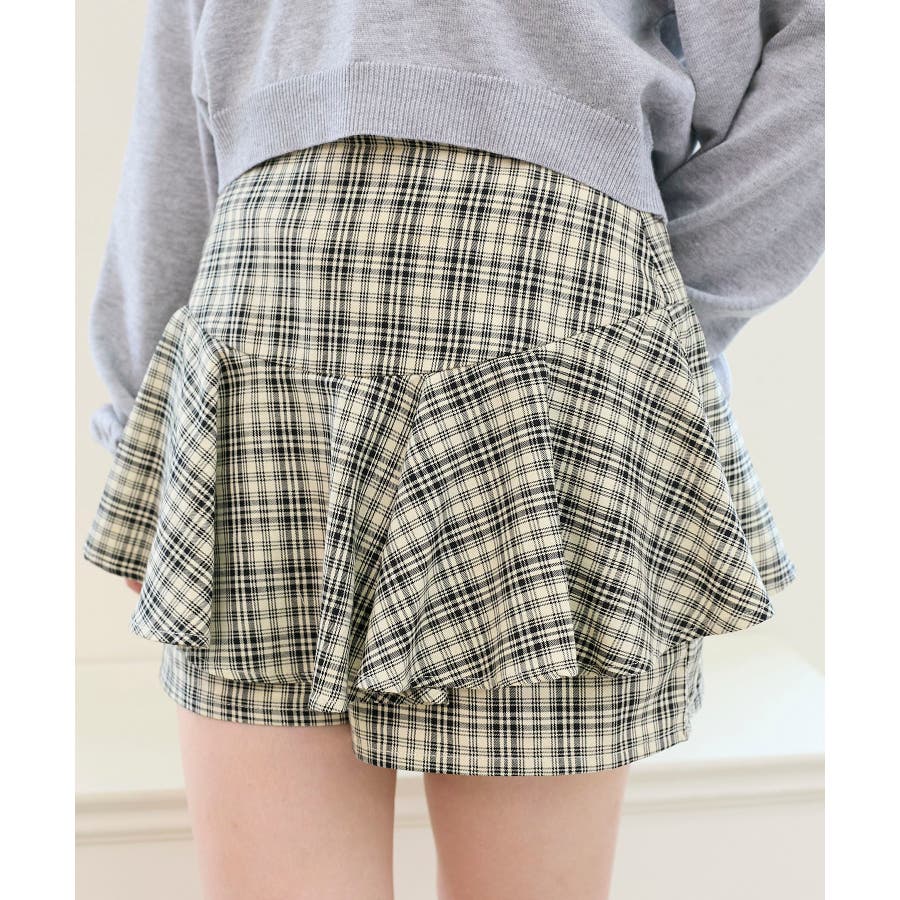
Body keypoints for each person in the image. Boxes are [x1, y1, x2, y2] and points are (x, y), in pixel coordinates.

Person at [81, 2, 824, 898]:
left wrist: (663, 310)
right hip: (273, 321)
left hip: (537, 318)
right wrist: (141, 419)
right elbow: (178, 84)